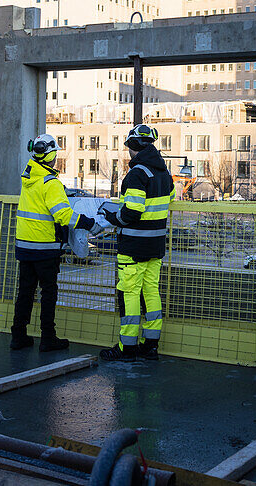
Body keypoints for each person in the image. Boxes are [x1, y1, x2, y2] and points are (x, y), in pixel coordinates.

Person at [12, 133, 99, 351]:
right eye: (54, 154)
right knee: (48, 292)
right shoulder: (51, 183)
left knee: (25, 291)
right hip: (45, 248)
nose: (55, 158)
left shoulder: (29, 178)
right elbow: (63, 216)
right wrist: (90, 224)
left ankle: (18, 336)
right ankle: (48, 338)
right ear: (50, 156)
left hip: (25, 245)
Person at [100, 124, 174, 361]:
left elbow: (132, 210)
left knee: (129, 295)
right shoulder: (163, 173)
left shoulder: (137, 174)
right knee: (151, 292)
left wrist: (112, 217)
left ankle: (127, 348)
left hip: (133, 247)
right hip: (155, 247)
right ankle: (150, 345)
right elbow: (169, 197)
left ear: (132, 146)